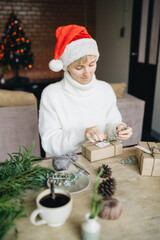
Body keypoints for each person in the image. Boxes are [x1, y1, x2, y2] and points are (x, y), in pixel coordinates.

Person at [39, 24, 132, 157]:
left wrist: (118, 130)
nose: (87, 73)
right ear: (66, 66)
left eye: (92, 64)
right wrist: (82, 133)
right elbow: (50, 143)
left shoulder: (105, 90)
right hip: (64, 165)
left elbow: (111, 124)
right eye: (79, 67)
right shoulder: (52, 94)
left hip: (100, 159)